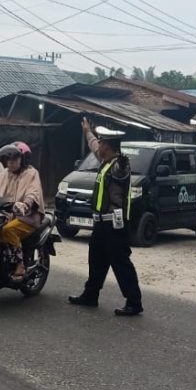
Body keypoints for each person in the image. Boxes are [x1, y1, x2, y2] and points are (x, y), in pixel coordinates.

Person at [69, 118, 143, 316]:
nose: (98, 146)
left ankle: (134, 302)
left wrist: (117, 151)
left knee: (121, 264)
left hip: (114, 225)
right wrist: (88, 132)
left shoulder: (119, 165)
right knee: (96, 260)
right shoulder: (106, 163)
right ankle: (90, 295)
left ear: (109, 147)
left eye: (102, 143)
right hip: (101, 224)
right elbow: (94, 147)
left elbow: (117, 161)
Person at [0, 142, 45, 282]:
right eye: (8, 160)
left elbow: (33, 192)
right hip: (8, 214)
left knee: (7, 231)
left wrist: (26, 204)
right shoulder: (5, 173)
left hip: (28, 217)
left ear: (23, 159)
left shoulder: (31, 173)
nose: (10, 163)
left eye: (14, 159)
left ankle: (19, 264)